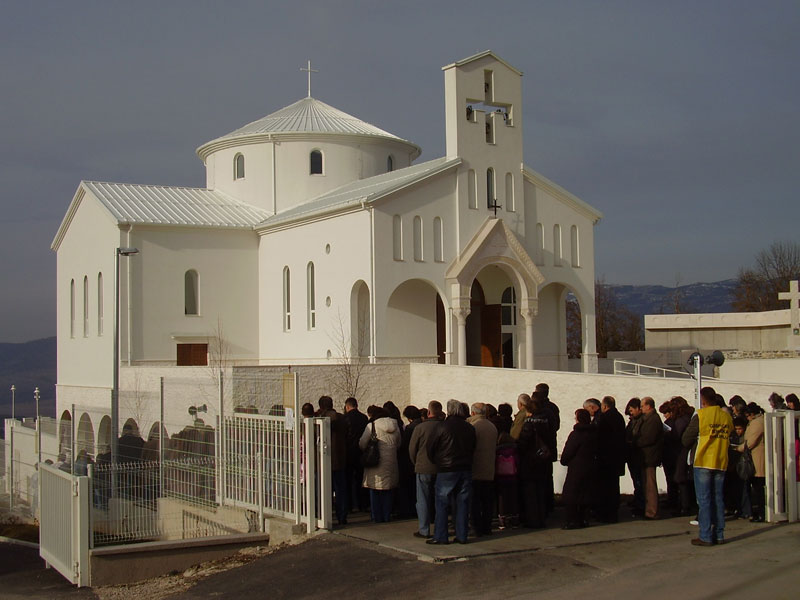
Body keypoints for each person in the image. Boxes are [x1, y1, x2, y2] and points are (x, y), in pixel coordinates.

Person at [682, 386, 733, 546]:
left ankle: (705, 535)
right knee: (718, 498)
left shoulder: (701, 416)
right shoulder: (726, 417)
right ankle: (719, 534)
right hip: (720, 460)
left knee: (704, 500)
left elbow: (686, 438)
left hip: (704, 460)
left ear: (703, 400)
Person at [426, 399, 476, 545]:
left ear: (448, 410)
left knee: (442, 502)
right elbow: (474, 447)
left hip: (446, 469)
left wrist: (437, 461)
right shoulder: (469, 428)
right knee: (463, 502)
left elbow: (431, 447)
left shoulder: (442, 426)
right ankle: (462, 535)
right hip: (465, 468)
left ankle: (441, 536)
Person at [359, 405, 401, 523]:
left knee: (375, 489)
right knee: (388, 490)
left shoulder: (371, 426)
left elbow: (362, 443)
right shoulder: (395, 425)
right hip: (391, 462)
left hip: (375, 461)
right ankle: (387, 515)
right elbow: (399, 444)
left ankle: (376, 516)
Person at [517, 392, 553, 529]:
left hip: (530, 461)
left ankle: (533, 520)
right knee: (540, 491)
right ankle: (541, 518)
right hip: (542, 459)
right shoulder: (546, 422)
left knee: (530, 493)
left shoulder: (529, 424)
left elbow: (523, 443)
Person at [408, 401, 444, 538]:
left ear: (429, 412)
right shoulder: (444, 426)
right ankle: (440, 528)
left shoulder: (420, 428)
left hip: (423, 467)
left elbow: (412, 449)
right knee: (440, 499)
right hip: (440, 468)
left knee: (422, 499)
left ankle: (424, 529)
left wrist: (416, 462)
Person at [560, 408, 598, 529]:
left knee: (571, 494)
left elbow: (568, 451)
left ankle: (572, 520)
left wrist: (564, 460)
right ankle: (584, 519)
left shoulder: (576, 434)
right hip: (590, 466)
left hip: (576, 467)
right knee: (585, 493)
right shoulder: (594, 433)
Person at [594, 395, 626, 523]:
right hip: (617, 457)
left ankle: (605, 514)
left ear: (605, 406)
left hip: (605, 458)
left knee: (604, 488)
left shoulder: (604, 418)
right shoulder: (619, 418)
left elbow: (600, 438)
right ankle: (613, 513)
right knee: (614, 486)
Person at [317, 395, 349, 525]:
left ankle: (324, 516)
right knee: (341, 490)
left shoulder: (319, 419)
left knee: (324, 490)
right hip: (340, 459)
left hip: (323, 460)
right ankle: (342, 516)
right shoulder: (341, 418)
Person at [467, 402, 498, 537]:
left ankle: (476, 526)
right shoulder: (492, 427)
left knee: (475, 501)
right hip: (489, 468)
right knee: (487, 501)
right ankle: (487, 526)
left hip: (475, 468)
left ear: (473, 413)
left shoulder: (473, 427)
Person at [734, 402, 766, 522]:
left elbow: (750, 442)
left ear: (751, 414)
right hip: (757, 456)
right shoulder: (760, 421)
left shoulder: (757, 423)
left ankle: (761, 514)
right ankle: (760, 512)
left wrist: (738, 448)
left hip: (757, 458)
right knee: (758, 488)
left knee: (759, 488)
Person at [637, 397, 664, 519]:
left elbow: (649, 437)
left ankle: (652, 511)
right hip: (646, 456)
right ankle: (649, 510)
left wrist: (636, 441)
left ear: (649, 406)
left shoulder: (653, 419)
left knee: (650, 485)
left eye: (642, 406)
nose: (641, 408)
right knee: (647, 484)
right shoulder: (647, 419)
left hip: (650, 456)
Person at [669, 396, 695, 516]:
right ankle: (685, 504)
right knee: (684, 478)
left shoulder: (681, 421)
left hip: (681, 452)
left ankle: (684, 506)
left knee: (681, 478)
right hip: (684, 451)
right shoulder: (688, 418)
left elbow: (677, 436)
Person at [343, 397, 369, 513]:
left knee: (348, 479)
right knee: (360, 478)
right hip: (360, 451)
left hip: (348, 452)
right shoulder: (364, 418)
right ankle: (362, 503)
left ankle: (351, 505)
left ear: (347, 406)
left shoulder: (345, 418)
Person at [397, 405, 423, 518]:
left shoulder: (410, 428)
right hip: (420, 461)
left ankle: (407, 511)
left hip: (409, 462)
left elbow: (406, 446)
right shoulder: (422, 425)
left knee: (407, 488)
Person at [624, 398, 645, 516]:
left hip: (637, 455)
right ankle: (638, 500)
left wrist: (631, 442)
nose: (630, 413)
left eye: (632, 410)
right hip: (632, 455)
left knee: (639, 481)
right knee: (636, 480)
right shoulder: (633, 421)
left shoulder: (641, 421)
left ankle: (641, 503)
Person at [495, 432, 520, 529]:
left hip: (501, 477)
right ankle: (514, 519)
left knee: (502, 499)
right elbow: (517, 462)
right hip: (513, 476)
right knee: (513, 497)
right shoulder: (514, 450)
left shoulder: (498, 451)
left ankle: (503, 520)